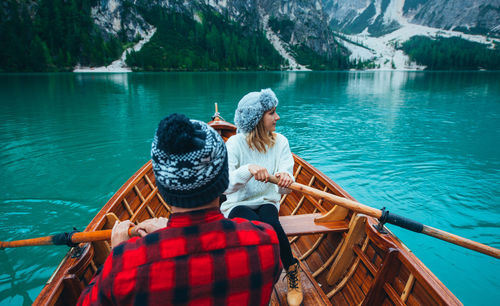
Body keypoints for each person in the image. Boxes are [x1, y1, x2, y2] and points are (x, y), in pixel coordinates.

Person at [77, 113, 282, 306]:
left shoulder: (126, 264)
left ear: (161, 186)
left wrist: (117, 252)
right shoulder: (265, 241)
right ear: (224, 181)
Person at [220, 88, 303, 306]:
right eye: (272, 113)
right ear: (256, 119)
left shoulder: (281, 142)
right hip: (236, 203)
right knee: (252, 224)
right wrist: (248, 169)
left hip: (268, 201)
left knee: (271, 222)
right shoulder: (234, 144)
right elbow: (225, 186)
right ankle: (258, 277)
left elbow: (285, 187)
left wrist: (286, 179)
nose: (277, 117)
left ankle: (292, 271)